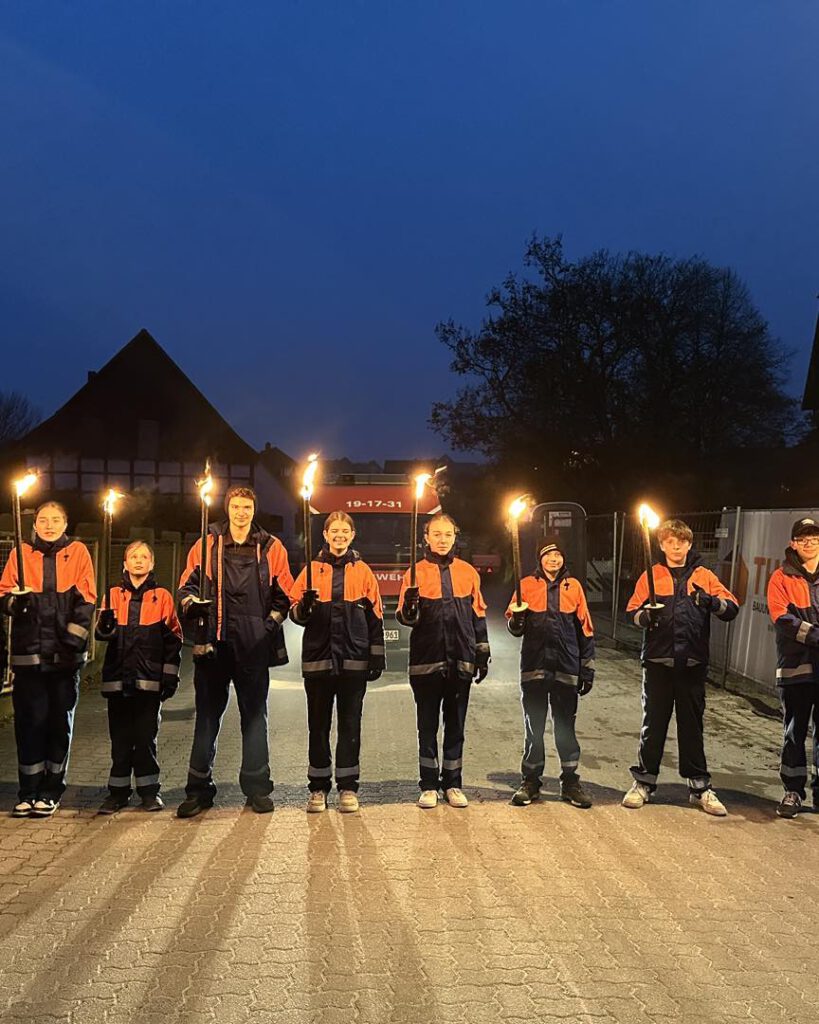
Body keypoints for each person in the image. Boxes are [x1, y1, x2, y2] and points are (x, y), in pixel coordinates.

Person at [176, 485, 292, 817]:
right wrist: (191, 603)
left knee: (254, 717)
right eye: (236, 506)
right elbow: (185, 586)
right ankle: (198, 790)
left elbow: (285, 595)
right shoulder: (206, 544)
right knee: (207, 718)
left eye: (247, 507)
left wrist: (267, 627)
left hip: (253, 645)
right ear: (227, 509)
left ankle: (257, 789)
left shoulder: (271, 547)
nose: (241, 512)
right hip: (213, 643)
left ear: (254, 511)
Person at [623, 518, 739, 815]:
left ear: (689, 544)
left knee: (692, 726)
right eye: (670, 542)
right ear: (662, 545)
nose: (676, 547)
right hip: (658, 662)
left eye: (682, 541)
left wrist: (710, 602)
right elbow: (632, 611)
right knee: (653, 724)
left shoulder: (704, 575)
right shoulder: (651, 575)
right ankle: (644, 783)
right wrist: (646, 617)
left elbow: (731, 608)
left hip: (692, 663)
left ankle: (699, 787)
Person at [0, 501, 96, 817]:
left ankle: (51, 790)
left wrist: (72, 638)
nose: (49, 525)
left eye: (56, 519)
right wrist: (15, 603)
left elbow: (87, 600)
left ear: (65, 524)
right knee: (30, 723)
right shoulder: (20, 553)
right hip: (29, 654)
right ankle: (27, 792)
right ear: (34, 524)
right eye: (43, 520)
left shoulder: (78, 552)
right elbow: (3, 594)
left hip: (65, 657)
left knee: (58, 723)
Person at [290, 511, 385, 813]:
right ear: (325, 535)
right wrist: (304, 608)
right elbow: (295, 614)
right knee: (317, 726)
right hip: (318, 661)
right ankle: (318, 788)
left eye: (345, 531)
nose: (340, 536)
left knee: (350, 726)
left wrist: (376, 655)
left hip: (354, 661)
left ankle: (348, 787)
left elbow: (376, 617)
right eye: (334, 531)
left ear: (352, 535)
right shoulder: (310, 570)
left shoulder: (363, 572)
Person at [396, 512, 490, 809]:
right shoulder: (414, 574)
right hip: (427, 660)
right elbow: (405, 618)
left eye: (447, 534)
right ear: (426, 538)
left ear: (455, 537)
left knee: (456, 725)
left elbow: (478, 615)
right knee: (427, 725)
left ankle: (452, 783)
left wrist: (482, 653)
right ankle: (428, 785)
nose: (442, 539)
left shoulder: (468, 572)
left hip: (460, 659)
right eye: (436, 534)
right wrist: (411, 607)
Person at [94, 540, 183, 813]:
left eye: (144, 557)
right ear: (125, 563)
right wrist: (104, 625)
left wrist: (170, 677)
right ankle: (118, 793)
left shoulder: (162, 597)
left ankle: (149, 792)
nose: (139, 561)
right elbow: (101, 635)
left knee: (145, 739)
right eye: (133, 556)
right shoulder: (112, 595)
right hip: (118, 681)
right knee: (120, 740)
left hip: (149, 682)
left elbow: (174, 640)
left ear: (152, 563)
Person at [506, 539, 594, 809]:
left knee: (565, 726)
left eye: (558, 555)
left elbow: (585, 628)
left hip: (566, 667)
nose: (554, 559)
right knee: (534, 727)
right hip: (534, 665)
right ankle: (531, 781)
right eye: (548, 555)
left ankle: (570, 783)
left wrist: (587, 667)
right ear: (539, 559)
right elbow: (514, 628)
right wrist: (517, 620)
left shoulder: (573, 586)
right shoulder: (526, 585)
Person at [767, 517, 819, 818]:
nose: (809, 542)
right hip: (795, 667)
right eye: (803, 538)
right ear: (793, 543)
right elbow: (781, 618)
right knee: (794, 731)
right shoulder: (781, 577)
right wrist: (816, 636)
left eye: (814, 537)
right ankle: (793, 791)